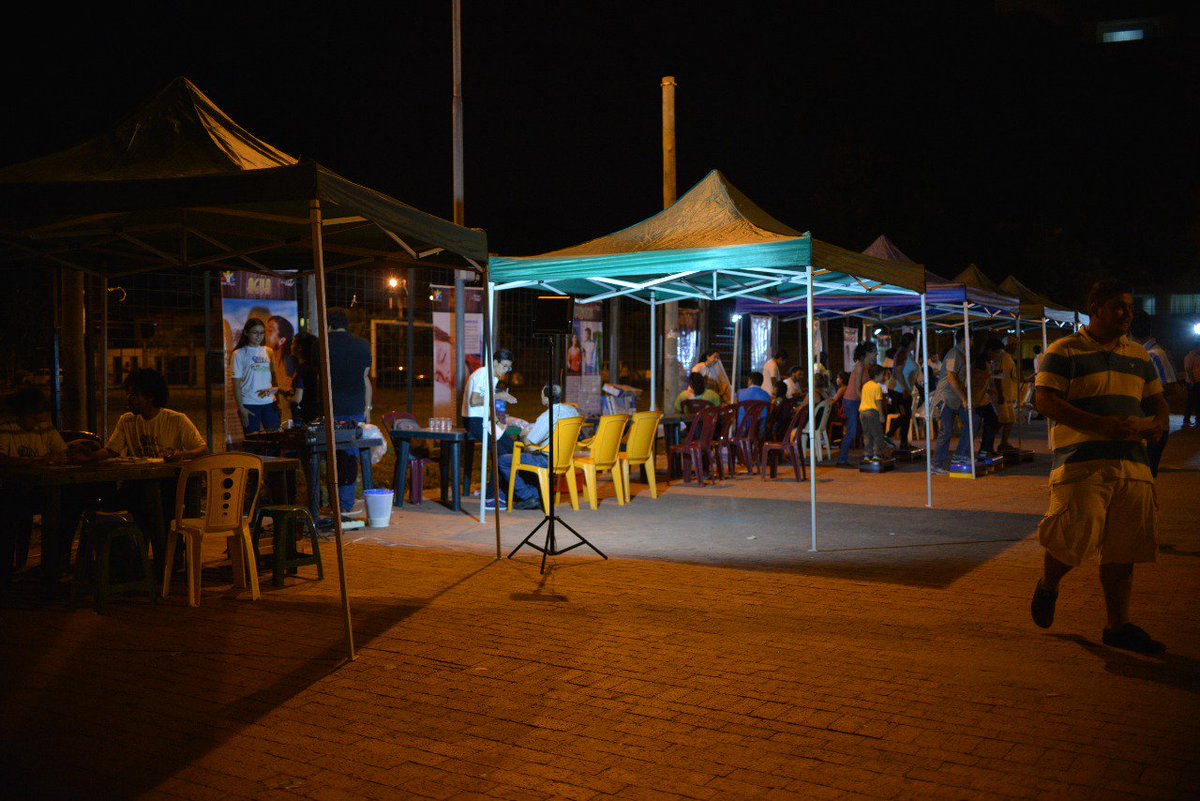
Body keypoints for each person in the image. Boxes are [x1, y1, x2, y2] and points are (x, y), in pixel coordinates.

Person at [1030, 279, 1169, 655]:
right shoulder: (1064, 350)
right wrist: (1099, 425)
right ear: (1096, 308)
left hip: (1131, 465)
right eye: (1118, 307)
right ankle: (1049, 584)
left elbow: (1158, 403)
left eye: (1130, 308)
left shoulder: (1140, 356)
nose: (1127, 314)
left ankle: (1117, 625)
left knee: (1123, 548)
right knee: (1072, 537)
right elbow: (1044, 400)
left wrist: (1157, 424)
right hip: (1081, 465)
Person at [93, 369, 208, 578]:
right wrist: (88, 456)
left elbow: (201, 448)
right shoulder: (127, 421)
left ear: (151, 396)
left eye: (135, 395)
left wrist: (179, 454)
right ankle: (132, 562)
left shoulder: (175, 420)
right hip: (138, 484)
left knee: (157, 507)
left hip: (168, 486)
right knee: (109, 502)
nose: (130, 399)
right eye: (128, 394)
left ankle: (166, 560)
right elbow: (111, 450)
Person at [0, 388, 82, 589]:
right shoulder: (7, 429)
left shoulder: (45, 428)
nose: (42, 417)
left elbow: (62, 452)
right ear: (25, 412)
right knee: (9, 510)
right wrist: (36, 463)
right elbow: (2, 460)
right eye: (38, 412)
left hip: (42, 490)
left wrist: (59, 458)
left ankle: (57, 561)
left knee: (71, 505)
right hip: (14, 491)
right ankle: (7, 570)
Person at [493, 384, 580, 510]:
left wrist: (523, 434)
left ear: (546, 398)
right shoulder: (572, 411)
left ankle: (528, 496)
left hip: (546, 459)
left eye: (542, 394)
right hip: (565, 457)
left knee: (503, 460)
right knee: (526, 457)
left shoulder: (546, 417)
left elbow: (529, 442)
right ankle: (536, 494)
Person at [326, 308, 373, 514]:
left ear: (328, 324)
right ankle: (345, 503)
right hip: (355, 407)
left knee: (331, 455)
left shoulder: (322, 344)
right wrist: (367, 407)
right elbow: (365, 378)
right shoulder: (362, 345)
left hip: (329, 407)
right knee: (350, 454)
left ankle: (331, 502)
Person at [462, 349, 516, 502]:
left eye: (509, 368)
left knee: (512, 448)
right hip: (473, 420)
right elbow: (474, 400)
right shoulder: (482, 374)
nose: (505, 371)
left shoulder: (493, 378)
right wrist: (500, 395)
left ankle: (503, 490)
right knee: (500, 453)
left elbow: (488, 403)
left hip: (484, 419)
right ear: (495, 362)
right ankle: (491, 497)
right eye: (504, 366)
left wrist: (497, 421)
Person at [1133, 323, 1175, 477]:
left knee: (1145, 476)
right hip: (1150, 426)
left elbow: (1170, 388)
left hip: (1151, 426)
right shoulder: (1150, 353)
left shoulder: (1152, 354)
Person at [931, 331, 972, 476]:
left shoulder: (961, 354)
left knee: (970, 422)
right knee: (946, 431)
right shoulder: (954, 354)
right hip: (947, 398)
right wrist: (964, 399)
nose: (972, 343)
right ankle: (936, 464)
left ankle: (960, 455)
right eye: (971, 340)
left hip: (955, 398)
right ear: (965, 340)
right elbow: (951, 379)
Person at [231, 318, 279, 433]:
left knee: (275, 440)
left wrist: (276, 392)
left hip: (269, 403)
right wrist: (241, 408)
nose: (259, 336)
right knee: (252, 443)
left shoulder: (268, 351)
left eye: (262, 333)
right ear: (246, 333)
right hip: (250, 404)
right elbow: (236, 384)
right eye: (255, 332)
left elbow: (274, 377)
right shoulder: (238, 354)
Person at [836, 341, 876, 467]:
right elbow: (858, 389)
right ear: (868, 353)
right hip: (851, 402)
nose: (876, 355)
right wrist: (866, 402)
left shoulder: (864, 367)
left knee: (865, 429)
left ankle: (870, 454)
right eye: (874, 353)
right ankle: (841, 460)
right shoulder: (859, 367)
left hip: (855, 401)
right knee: (852, 431)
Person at [266, 315, 297, 419]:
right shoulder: (263, 358)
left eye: (270, 331)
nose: (264, 334)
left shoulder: (290, 362)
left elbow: (289, 388)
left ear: (282, 340)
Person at [973, 346, 1000, 457]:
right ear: (989, 350)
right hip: (977, 399)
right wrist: (991, 375)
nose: (996, 355)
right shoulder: (981, 363)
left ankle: (987, 447)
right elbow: (976, 377)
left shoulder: (985, 362)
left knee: (992, 420)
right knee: (992, 420)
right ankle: (985, 448)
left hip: (982, 398)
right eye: (996, 352)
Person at [289, 331, 321, 424]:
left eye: (292, 343)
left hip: (304, 416)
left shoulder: (301, 369)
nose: (290, 347)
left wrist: (286, 401)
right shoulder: (315, 367)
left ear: (299, 348)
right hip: (315, 412)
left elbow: (297, 399)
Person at [993, 339, 1019, 451]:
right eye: (1014, 345)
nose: (1015, 347)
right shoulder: (1002, 357)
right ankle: (988, 439)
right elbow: (997, 377)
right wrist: (1000, 394)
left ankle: (1004, 442)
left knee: (1011, 419)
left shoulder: (1010, 358)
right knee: (1003, 419)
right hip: (1002, 394)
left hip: (1009, 394)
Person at [858, 364, 887, 463]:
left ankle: (867, 455)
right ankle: (876, 454)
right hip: (872, 412)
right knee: (877, 434)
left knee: (866, 434)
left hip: (862, 412)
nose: (883, 377)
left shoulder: (865, 385)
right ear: (877, 375)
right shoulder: (877, 387)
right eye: (882, 375)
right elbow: (878, 402)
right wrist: (881, 415)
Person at [1183, 341, 1200, 428]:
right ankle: (1186, 419)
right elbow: (1188, 370)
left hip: (1197, 383)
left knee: (1197, 402)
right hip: (1192, 383)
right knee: (1191, 402)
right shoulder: (1189, 357)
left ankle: (1198, 420)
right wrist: (1192, 382)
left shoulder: (1197, 356)